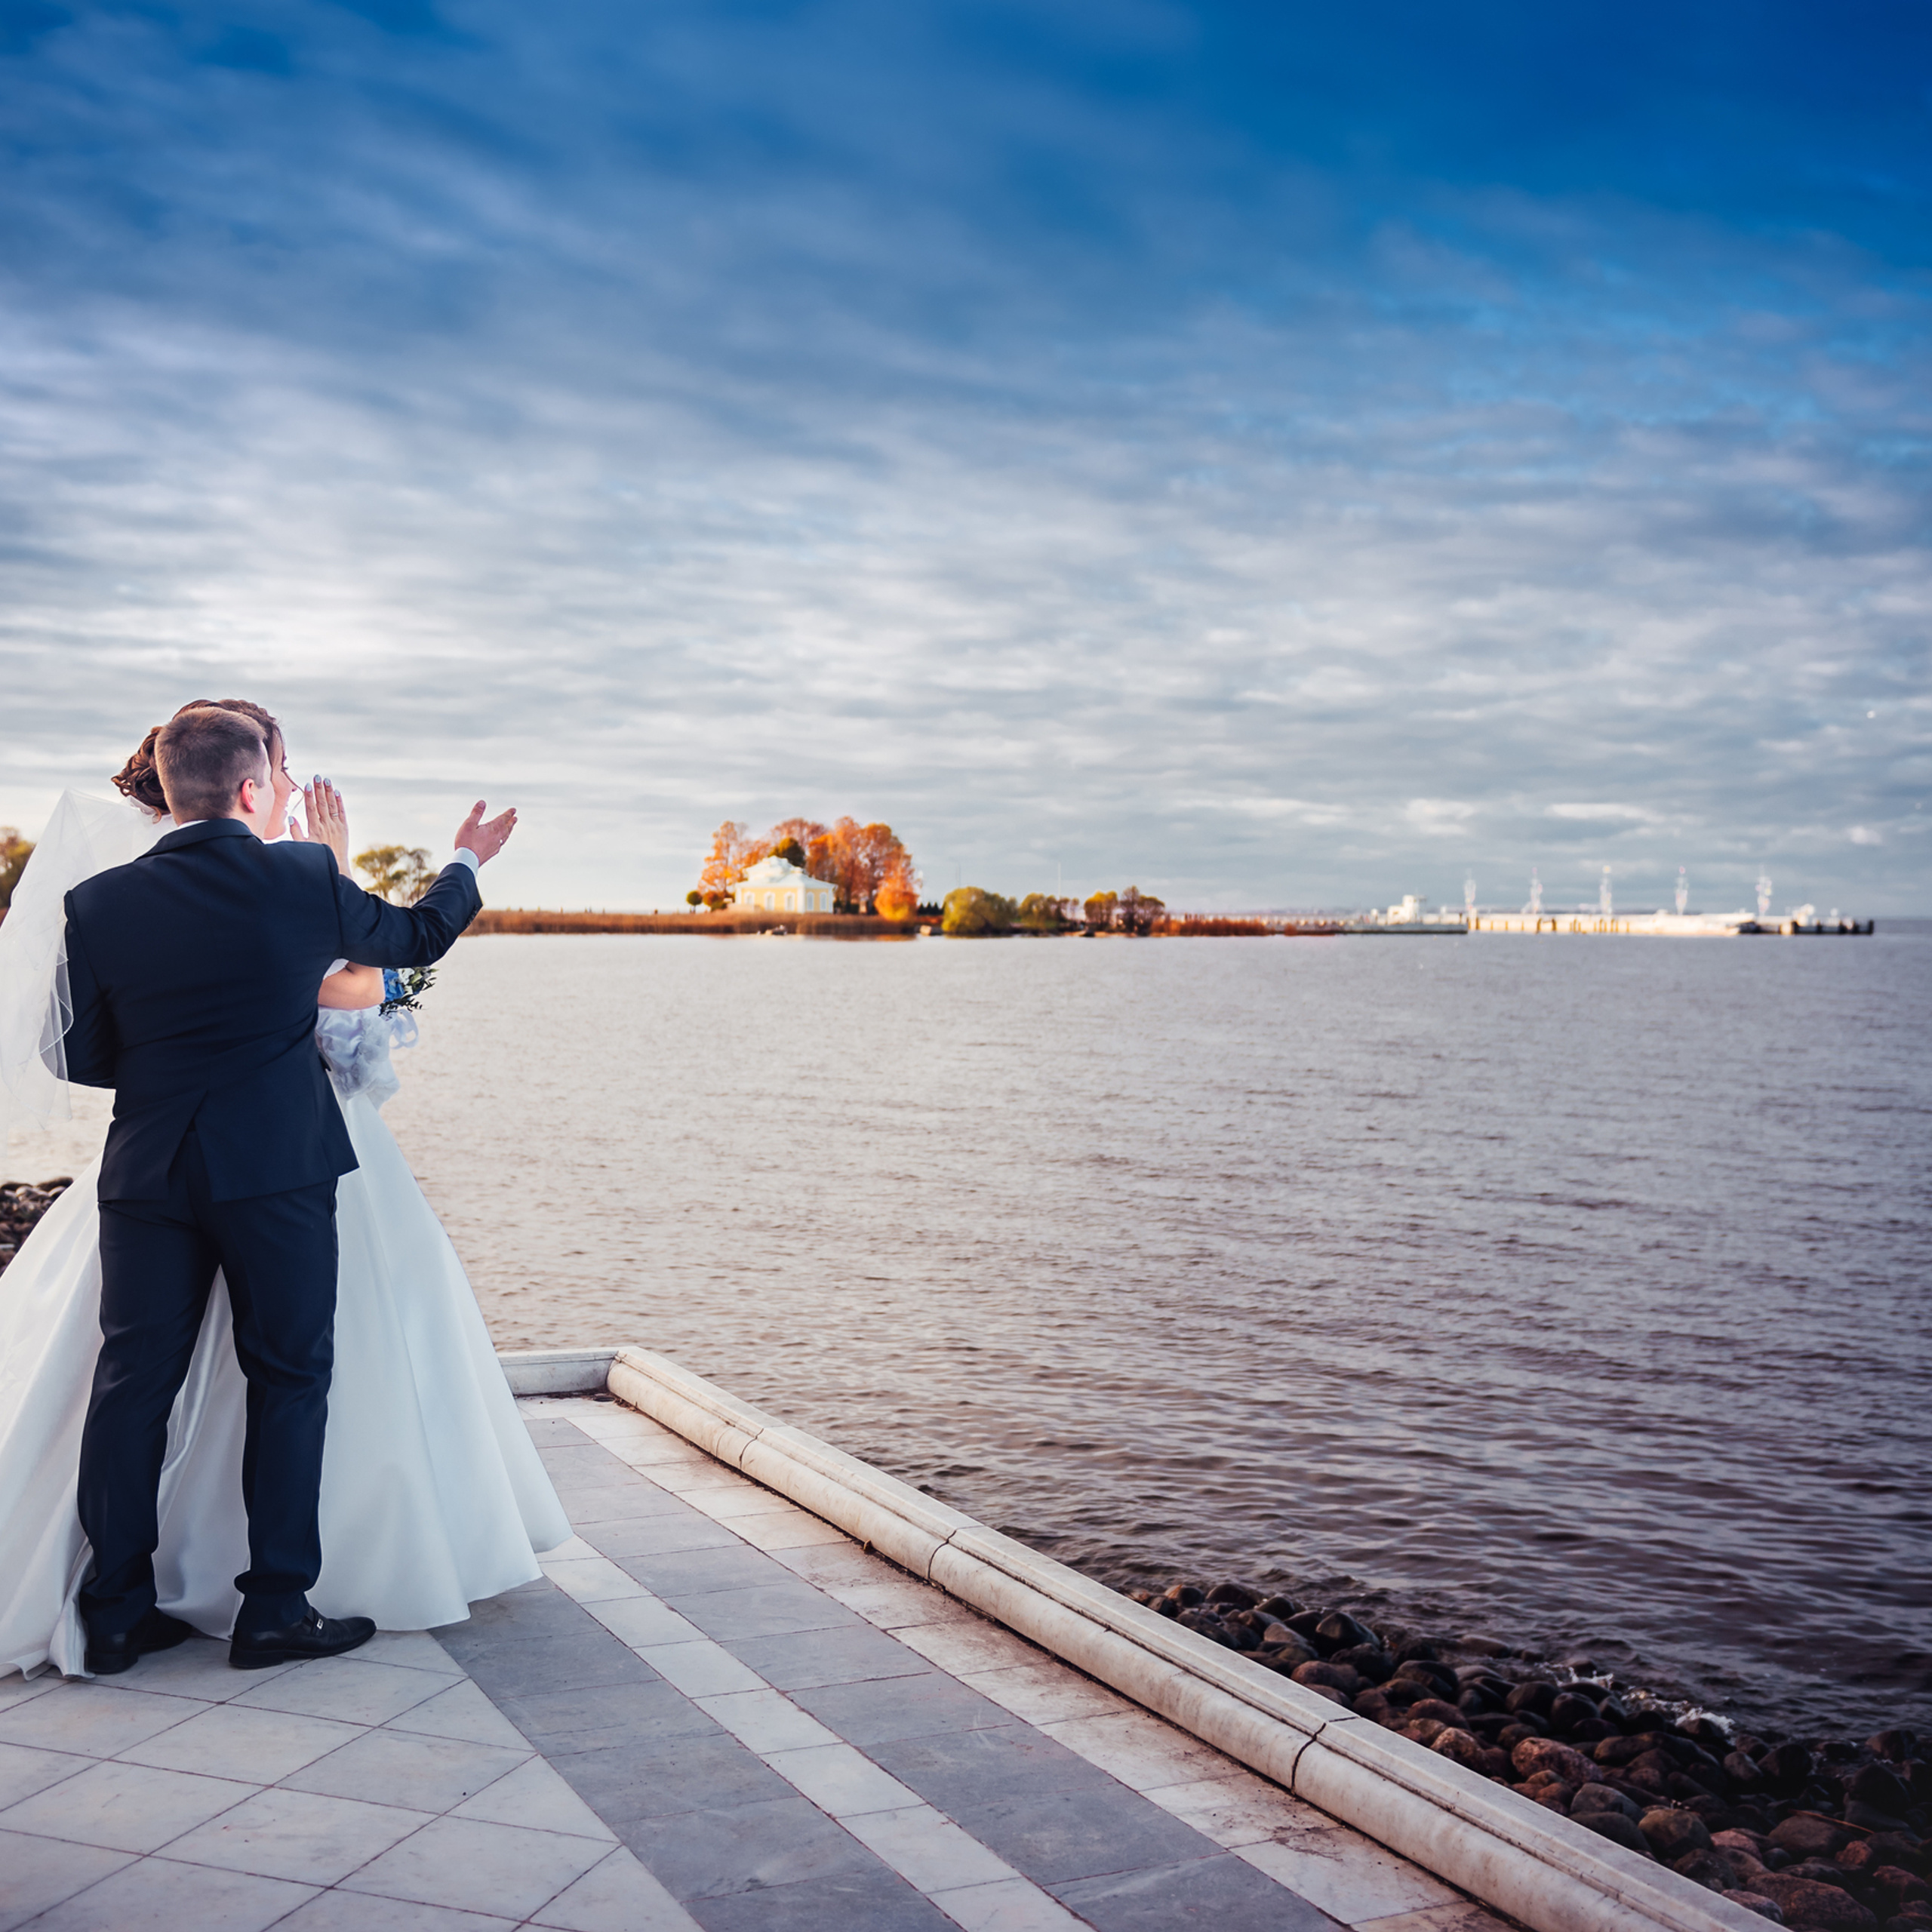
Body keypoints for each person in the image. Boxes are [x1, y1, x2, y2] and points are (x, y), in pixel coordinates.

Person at [0, 700, 568, 1681]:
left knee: (131, 1387)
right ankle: (272, 1610)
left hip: (147, 1169)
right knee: (290, 1379)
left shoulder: (96, 903)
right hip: (275, 1169)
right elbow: (419, 936)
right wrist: (468, 858)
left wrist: (170, 1068)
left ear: (171, 789)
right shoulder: (301, 876)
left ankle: (117, 1614)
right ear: (252, 788)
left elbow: (75, 1052)